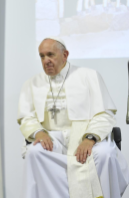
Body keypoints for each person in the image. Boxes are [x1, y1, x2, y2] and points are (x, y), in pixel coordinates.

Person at [17, 37, 129, 198]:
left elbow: (105, 113)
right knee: (35, 152)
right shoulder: (31, 83)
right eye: (42, 56)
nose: (46, 60)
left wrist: (90, 138)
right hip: (53, 139)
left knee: (104, 153)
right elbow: (26, 117)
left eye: (50, 55)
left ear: (65, 54)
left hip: (86, 136)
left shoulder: (89, 76)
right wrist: (38, 133)